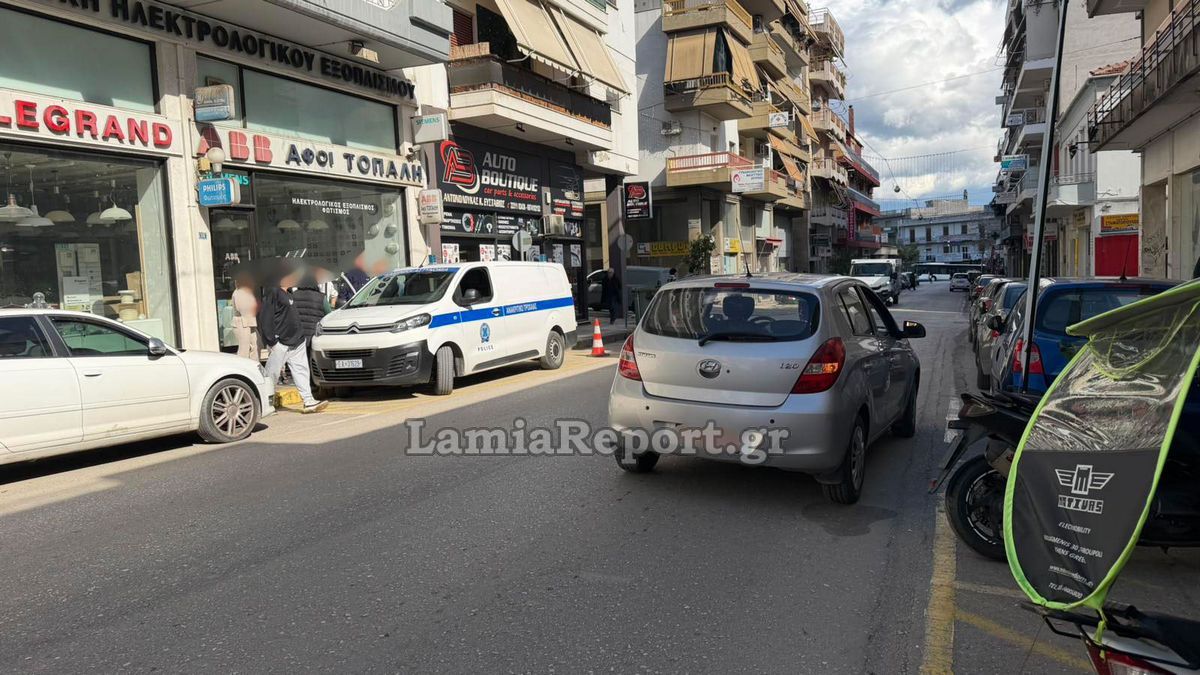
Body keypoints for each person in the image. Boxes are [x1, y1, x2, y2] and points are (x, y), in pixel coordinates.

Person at [260, 270, 327, 414]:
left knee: (301, 371)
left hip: (297, 340)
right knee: (271, 374)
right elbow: (265, 317)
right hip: (281, 342)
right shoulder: (273, 291)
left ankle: (308, 401)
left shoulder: (289, 293)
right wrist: (272, 341)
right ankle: (265, 405)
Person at [231, 273, 259, 361]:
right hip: (242, 322)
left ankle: (254, 366)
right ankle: (242, 367)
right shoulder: (239, 292)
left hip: (250, 322)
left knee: (254, 346)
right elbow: (242, 309)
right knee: (244, 350)